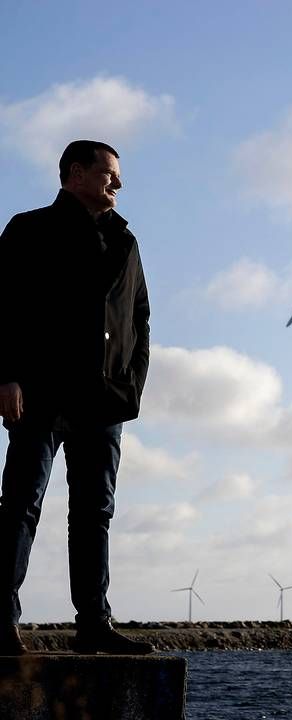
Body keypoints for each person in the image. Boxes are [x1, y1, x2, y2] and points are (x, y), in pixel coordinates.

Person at [0, 140, 153, 655]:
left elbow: (140, 318)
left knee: (95, 513)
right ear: (75, 173)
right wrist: (6, 376)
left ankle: (94, 624)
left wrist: (130, 387)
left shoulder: (125, 242)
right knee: (21, 505)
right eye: (109, 173)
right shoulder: (28, 229)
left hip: (104, 402)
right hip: (39, 395)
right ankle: (1, 620)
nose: (118, 183)